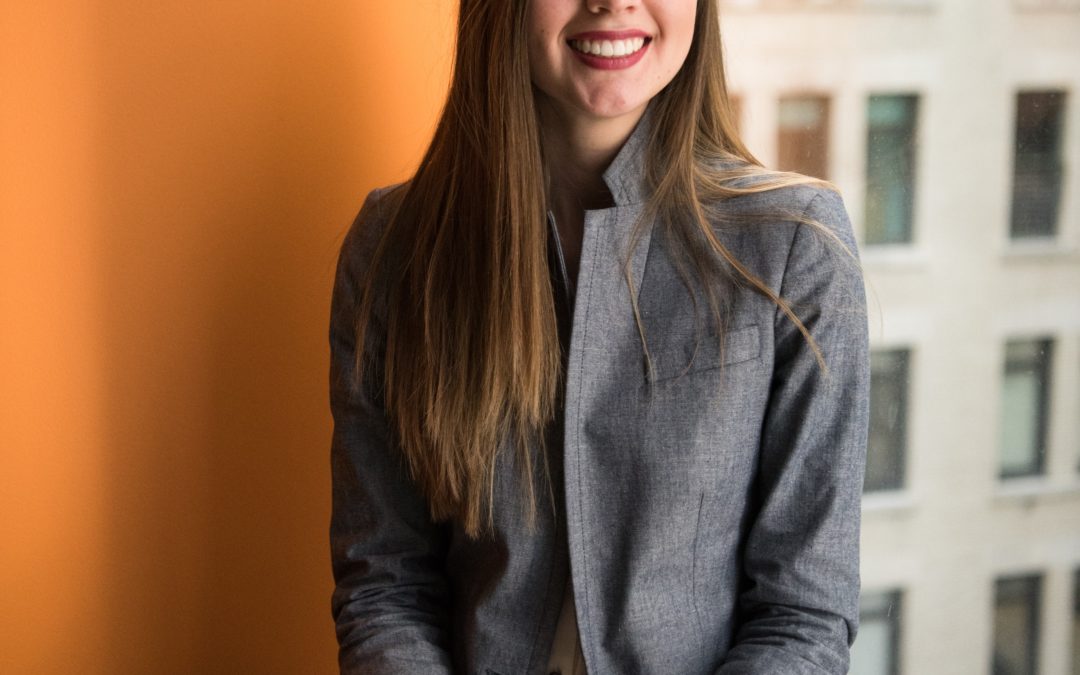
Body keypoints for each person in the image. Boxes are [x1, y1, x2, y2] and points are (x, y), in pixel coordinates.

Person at [328, 0, 870, 673]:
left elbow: (803, 615)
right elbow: (387, 584)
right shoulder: (395, 249)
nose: (613, 3)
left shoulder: (797, 245)